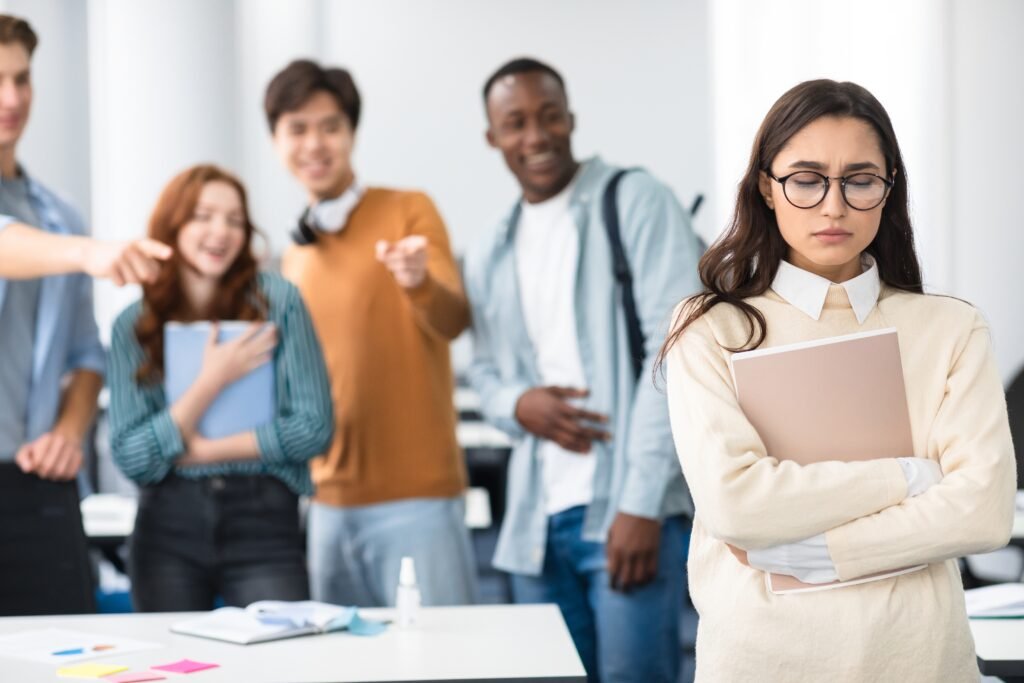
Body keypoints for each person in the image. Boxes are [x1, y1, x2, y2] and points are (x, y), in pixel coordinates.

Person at [661, 79, 1016, 682]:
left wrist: (821, 554)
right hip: (764, 661)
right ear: (767, 189)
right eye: (806, 179)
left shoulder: (951, 328)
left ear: (888, 189)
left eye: (860, 179)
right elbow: (737, 504)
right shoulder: (711, 329)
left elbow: (982, 512)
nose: (834, 206)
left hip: (921, 660)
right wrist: (910, 475)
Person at [464, 57, 702, 683]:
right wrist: (518, 404)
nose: (535, 136)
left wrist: (643, 503)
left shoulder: (637, 200)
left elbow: (677, 351)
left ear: (570, 119)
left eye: (548, 116)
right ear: (492, 137)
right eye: (514, 123)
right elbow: (483, 371)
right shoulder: (493, 244)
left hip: (625, 510)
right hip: (534, 525)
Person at [265, 59, 477, 607]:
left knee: (441, 662)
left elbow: (453, 318)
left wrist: (417, 279)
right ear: (276, 140)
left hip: (417, 495)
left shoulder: (407, 210)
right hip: (327, 503)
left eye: (330, 126)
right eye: (298, 129)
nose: (315, 143)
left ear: (351, 133)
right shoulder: (294, 255)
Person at [0, 14, 169, 616]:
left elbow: (84, 355)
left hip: (34, 484)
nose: (12, 98)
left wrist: (71, 431)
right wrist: (90, 254)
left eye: (22, 80)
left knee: (64, 653)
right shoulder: (69, 241)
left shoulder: (61, 214)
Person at [108, 164, 333, 611]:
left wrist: (201, 451)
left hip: (264, 520)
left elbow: (313, 427)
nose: (221, 232)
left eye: (234, 220)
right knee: (172, 671)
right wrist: (213, 379)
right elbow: (133, 457)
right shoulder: (133, 324)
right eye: (204, 216)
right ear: (173, 225)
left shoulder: (278, 301)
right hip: (166, 528)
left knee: (280, 667)